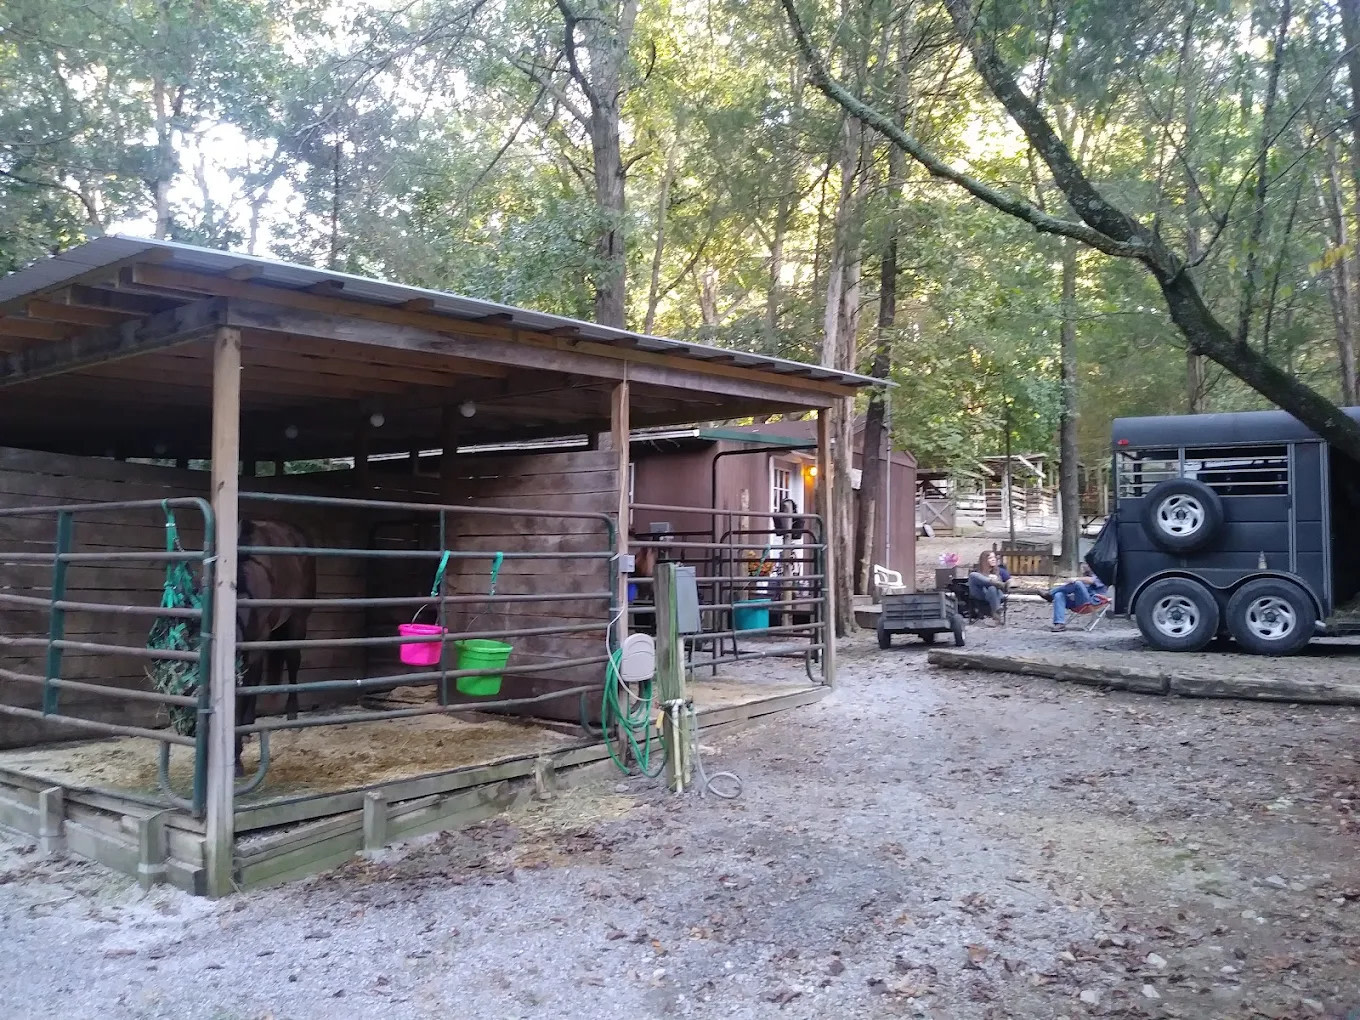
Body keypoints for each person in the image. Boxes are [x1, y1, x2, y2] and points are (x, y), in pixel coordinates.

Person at [1042, 564, 1110, 631]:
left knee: (1078, 583)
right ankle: (1059, 624)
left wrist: (1075, 579)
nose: (1084, 566)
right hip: (1078, 602)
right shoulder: (1085, 577)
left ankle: (1050, 594)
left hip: (1091, 602)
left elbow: (1091, 580)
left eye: (1087, 563)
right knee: (1059, 595)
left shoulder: (1101, 575)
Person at [967, 550, 1009, 624]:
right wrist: (989, 579)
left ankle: (996, 613)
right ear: (984, 560)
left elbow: (1011, 582)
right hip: (981, 594)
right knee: (972, 575)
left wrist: (1004, 582)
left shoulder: (1000, 571)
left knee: (992, 588)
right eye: (990, 558)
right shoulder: (977, 571)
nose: (993, 559)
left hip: (996, 594)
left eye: (994, 557)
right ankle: (995, 583)